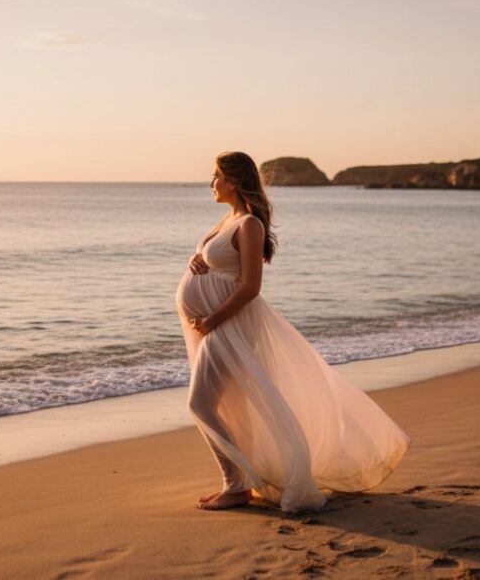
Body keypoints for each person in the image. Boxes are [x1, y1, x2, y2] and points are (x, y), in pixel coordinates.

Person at [175, 151, 411, 512]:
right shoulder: (227, 221)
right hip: (219, 324)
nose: (212, 183)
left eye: (216, 176)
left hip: (231, 325)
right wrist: (198, 259)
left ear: (233, 181)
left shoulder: (250, 225)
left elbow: (251, 286)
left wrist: (213, 320)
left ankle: (236, 485)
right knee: (231, 407)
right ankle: (241, 482)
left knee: (200, 404)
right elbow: (221, 264)